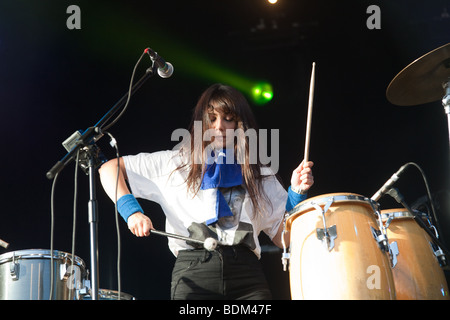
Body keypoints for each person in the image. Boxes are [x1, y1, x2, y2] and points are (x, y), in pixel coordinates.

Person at [99, 83, 314, 300]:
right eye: (212, 118)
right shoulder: (176, 163)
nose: (219, 126)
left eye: (228, 118)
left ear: (241, 125)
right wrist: (132, 212)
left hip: (247, 277)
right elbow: (110, 169)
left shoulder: (257, 172)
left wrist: (296, 192)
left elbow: (282, 238)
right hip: (195, 271)